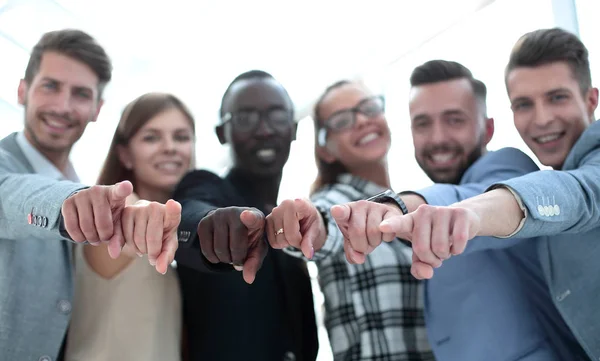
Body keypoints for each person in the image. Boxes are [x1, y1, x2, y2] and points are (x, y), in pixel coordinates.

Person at [274, 60, 585, 360]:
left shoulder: (508, 171)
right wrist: (312, 228)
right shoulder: (341, 200)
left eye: (455, 120)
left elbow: (465, 200)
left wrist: (400, 206)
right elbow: (332, 219)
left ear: (488, 129)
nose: (438, 138)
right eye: (423, 124)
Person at [366, 28, 599, 360]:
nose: (542, 119)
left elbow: (574, 192)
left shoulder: (519, 170)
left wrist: (469, 215)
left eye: (557, 97)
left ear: (591, 99)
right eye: (524, 104)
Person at [0, 29, 181, 361]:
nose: (63, 106)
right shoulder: (9, 169)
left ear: (97, 109)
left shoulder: (83, 182)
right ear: (22, 90)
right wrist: (71, 202)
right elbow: (13, 196)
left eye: (81, 94)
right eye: (50, 86)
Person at [266, 80, 434, 360]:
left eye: (368, 108)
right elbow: (324, 226)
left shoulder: (408, 203)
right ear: (326, 150)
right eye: (342, 120)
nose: (361, 121)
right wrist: (308, 228)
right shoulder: (336, 201)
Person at [172, 70, 318, 361]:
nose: (264, 130)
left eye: (276, 115)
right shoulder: (205, 186)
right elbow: (189, 212)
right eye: (245, 118)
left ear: (294, 127)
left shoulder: (296, 219)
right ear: (221, 133)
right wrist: (210, 225)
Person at [64, 92, 196, 361]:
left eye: (181, 137)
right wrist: (130, 210)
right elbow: (127, 216)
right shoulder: (108, 222)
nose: (170, 147)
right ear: (124, 154)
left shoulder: (187, 234)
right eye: (151, 137)